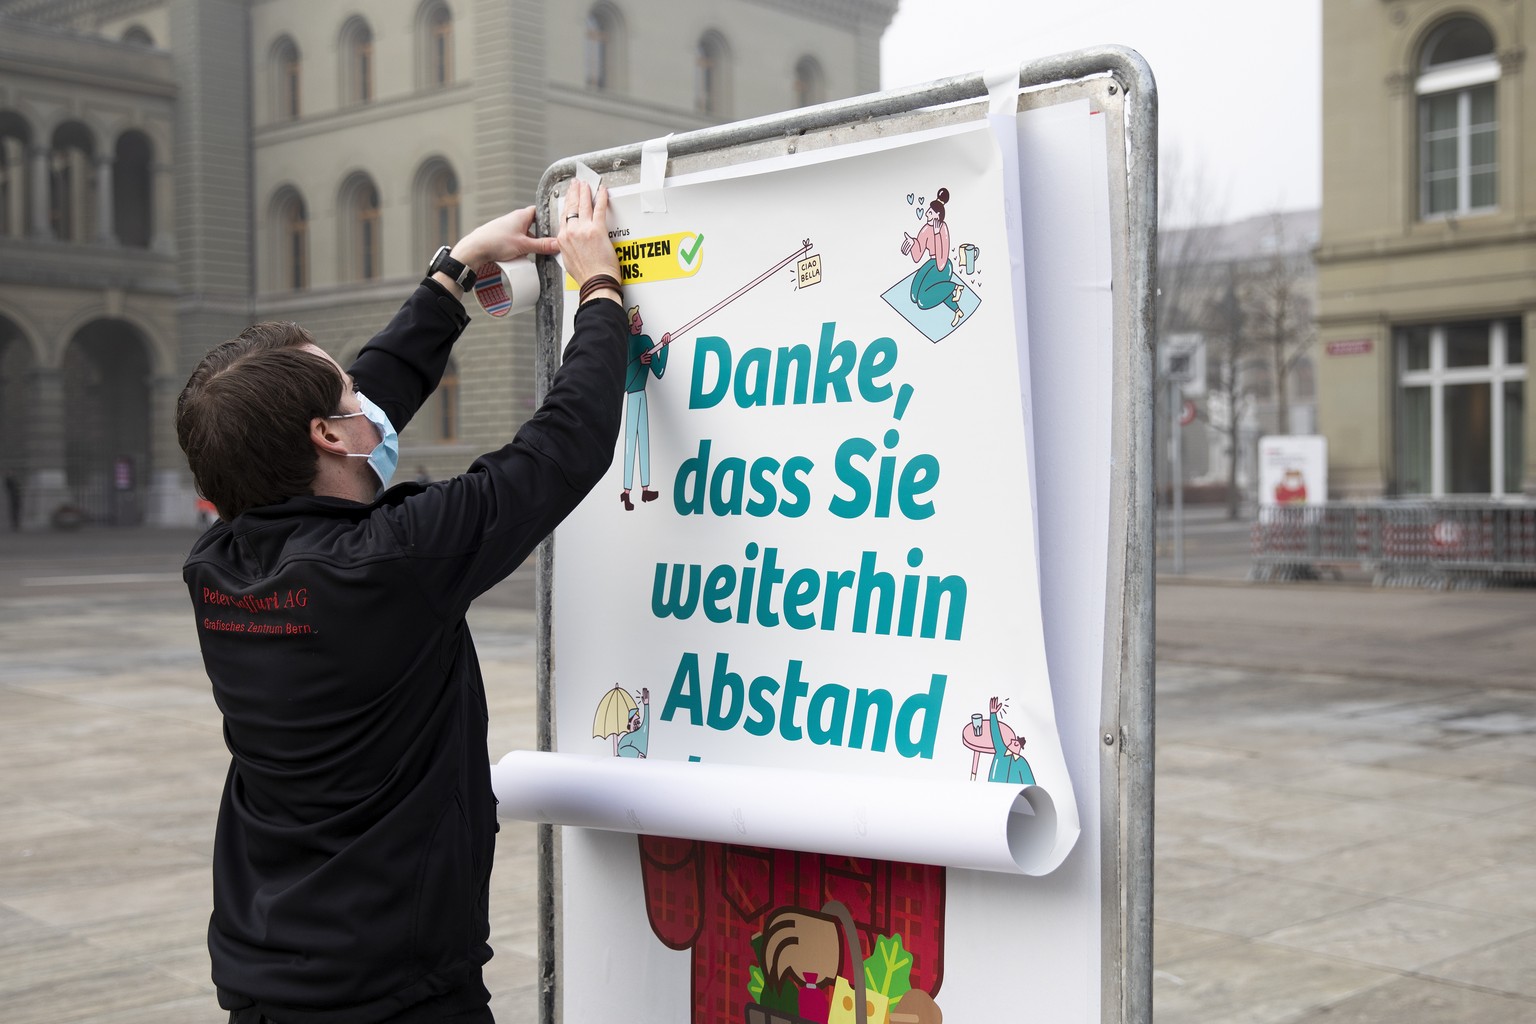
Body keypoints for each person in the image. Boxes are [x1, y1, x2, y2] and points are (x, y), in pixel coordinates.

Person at [175, 180, 626, 1024]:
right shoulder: (387, 563)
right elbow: (559, 450)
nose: (365, 398)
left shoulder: (218, 568)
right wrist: (599, 291)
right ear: (331, 438)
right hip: (394, 994)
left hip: (267, 979)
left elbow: (357, 403)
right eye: (347, 395)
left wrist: (452, 279)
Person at [620, 305, 667, 511]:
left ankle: (645, 488)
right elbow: (623, 382)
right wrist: (639, 362)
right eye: (636, 320)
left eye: (639, 319)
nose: (640, 323)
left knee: (644, 441)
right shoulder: (625, 345)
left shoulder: (646, 341)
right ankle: (626, 492)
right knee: (631, 442)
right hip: (631, 396)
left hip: (643, 395)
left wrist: (664, 348)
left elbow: (659, 371)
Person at [902, 187, 964, 327]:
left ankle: (955, 287)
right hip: (932, 264)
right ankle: (957, 310)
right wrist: (912, 243)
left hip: (943, 266)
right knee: (913, 296)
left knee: (923, 301)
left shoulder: (942, 228)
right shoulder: (925, 229)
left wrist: (937, 234)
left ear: (937, 215)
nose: (927, 214)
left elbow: (942, 262)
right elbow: (917, 256)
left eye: (930, 212)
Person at [985, 696, 1035, 786]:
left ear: (1020, 749)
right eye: (1014, 742)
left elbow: (1031, 785)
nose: (1015, 743)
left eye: (1018, 744)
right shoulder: (1001, 750)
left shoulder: (1022, 763)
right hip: (993, 791)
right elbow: (996, 734)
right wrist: (993, 714)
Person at [616, 686, 650, 758]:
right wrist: (637, 754)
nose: (637, 724)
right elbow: (620, 750)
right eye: (635, 722)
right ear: (629, 723)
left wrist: (646, 705)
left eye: (638, 722)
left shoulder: (642, 732)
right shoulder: (627, 738)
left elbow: (646, 722)